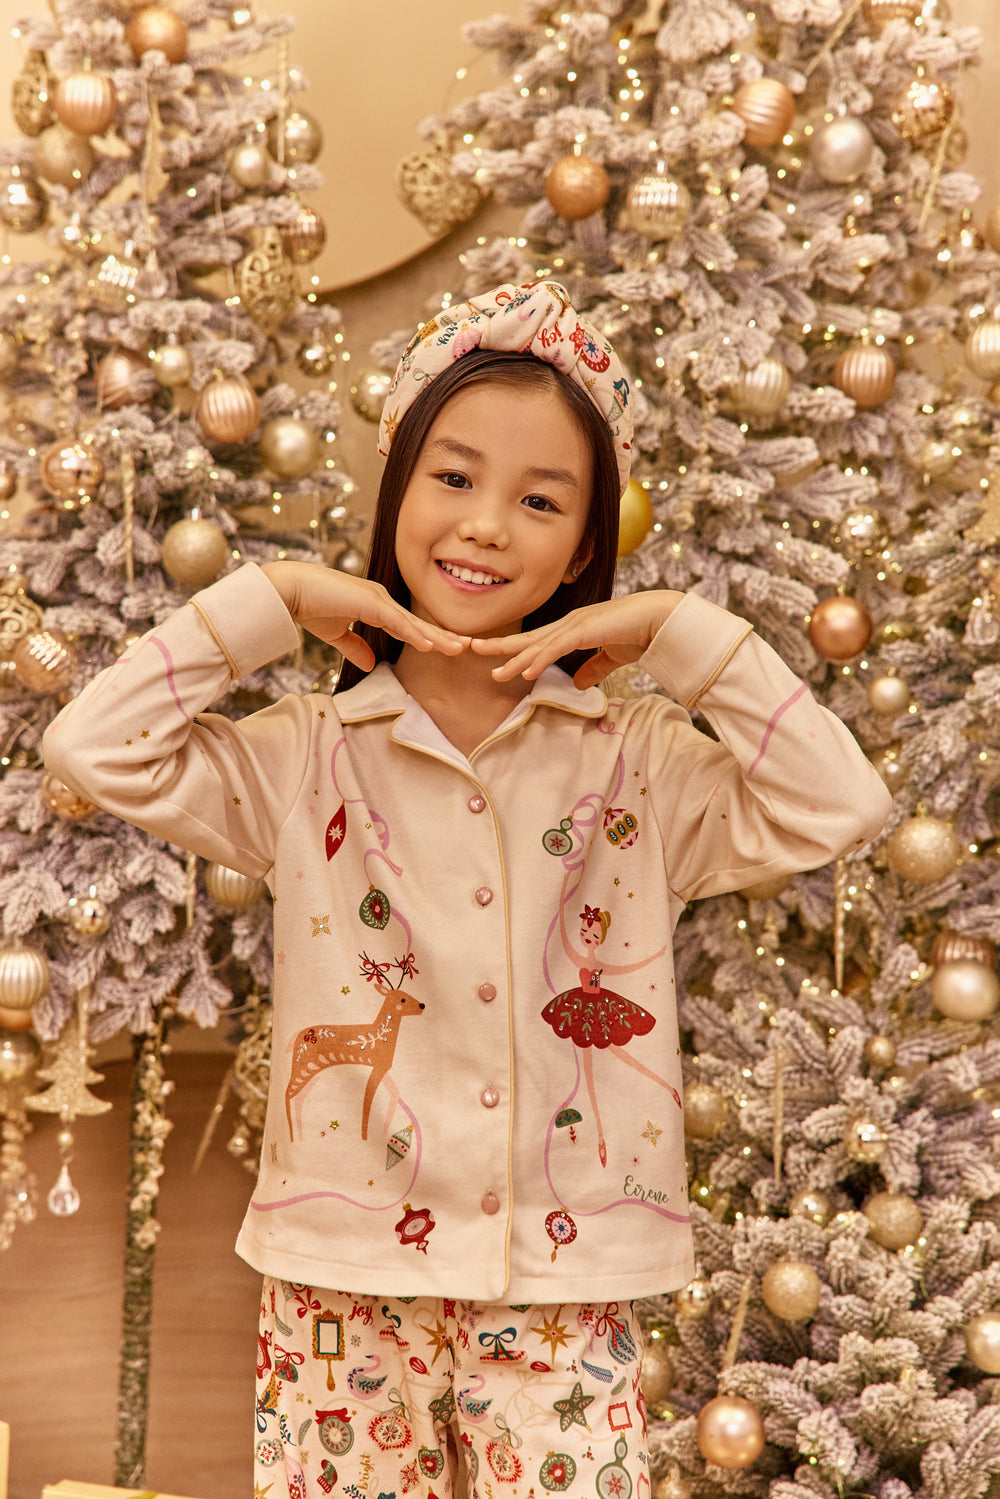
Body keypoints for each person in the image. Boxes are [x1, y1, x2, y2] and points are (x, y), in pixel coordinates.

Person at [44, 280, 891, 1499]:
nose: (486, 525)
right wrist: (273, 603)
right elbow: (92, 749)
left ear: (583, 545)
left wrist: (672, 629)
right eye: (451, 478)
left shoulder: (637, 762)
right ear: (396, 494)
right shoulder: (303, 755)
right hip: (341, 1275)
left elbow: (840, 803)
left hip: (563, 1285)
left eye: (539, 500)